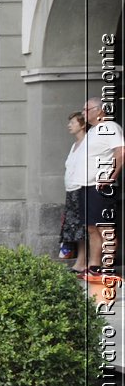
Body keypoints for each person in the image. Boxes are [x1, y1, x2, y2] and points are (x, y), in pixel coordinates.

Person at [81, 97, 123, 278]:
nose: (83, 113)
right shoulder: (92, 131)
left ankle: (108, 266)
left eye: (86, 109)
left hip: (101, 187)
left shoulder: (110, 127)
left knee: (104, 227)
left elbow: (121, 151)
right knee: (91, 228)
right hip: (87, 185)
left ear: (99, 110)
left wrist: (112, 175)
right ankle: (94, 267)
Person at [61, 111, 89, 267]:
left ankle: (83, 261)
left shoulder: (88, 142)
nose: (69, 125)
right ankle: (81, 260)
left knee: (82, 227)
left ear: (82, 124)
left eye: (73, 122)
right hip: (71, 189)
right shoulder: (74, 145)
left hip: (82, 188)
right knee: (75, 227)